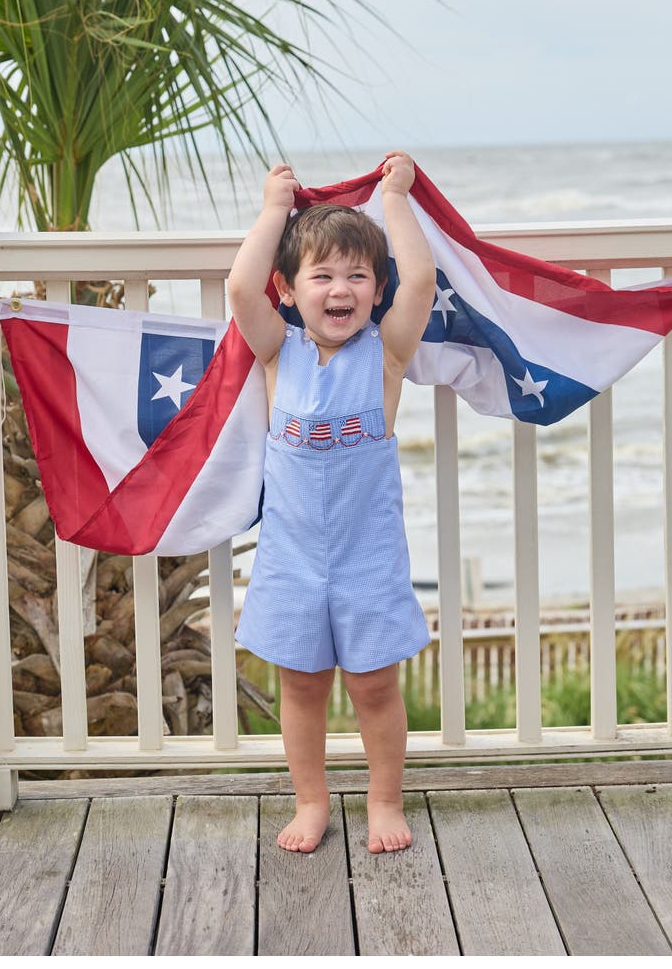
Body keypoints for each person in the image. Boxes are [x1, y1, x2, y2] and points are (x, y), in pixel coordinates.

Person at [227, 150, 435, 854]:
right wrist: (273, 212)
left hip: (366, 557)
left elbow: (423, 282)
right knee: (303, 689)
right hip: (291, 559)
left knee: (375, 689)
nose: (340, 288)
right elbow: (237, 287)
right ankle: (311, 801)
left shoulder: (387, 355)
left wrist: (396, 199)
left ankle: (383, 798)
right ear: (288, 289)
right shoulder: (276, 353)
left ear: (377, 291)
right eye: (322, 276)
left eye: (357, 276)